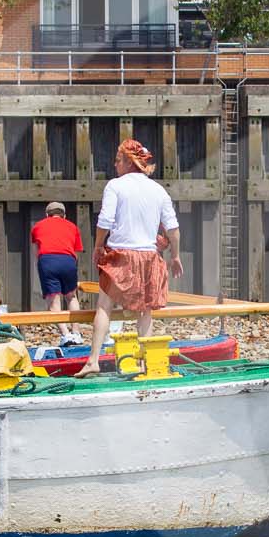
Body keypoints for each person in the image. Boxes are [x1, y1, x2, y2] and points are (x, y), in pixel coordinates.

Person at [85, 139, 183, 376]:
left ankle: (94, 360)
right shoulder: (158, 190)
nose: (115, 165)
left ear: (129, 162)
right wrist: (176, 256)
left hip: (121, 255)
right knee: (145, 311)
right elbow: (173, 228)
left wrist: (99, 246)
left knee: (104, 307)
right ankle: (143, 363)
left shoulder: (115, 186)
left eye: (118, 160)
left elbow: (105, 221)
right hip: (149, 257)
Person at [30, 201, 86, 344]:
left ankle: (65, 335)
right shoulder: (72, 227)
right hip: (68, 260)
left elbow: (37, 251)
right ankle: (77, 333)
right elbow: (76, 252)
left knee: (53, 299)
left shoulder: (37, 226)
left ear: (47, 214)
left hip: (47, 260)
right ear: (64, 215)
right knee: (71, 296)